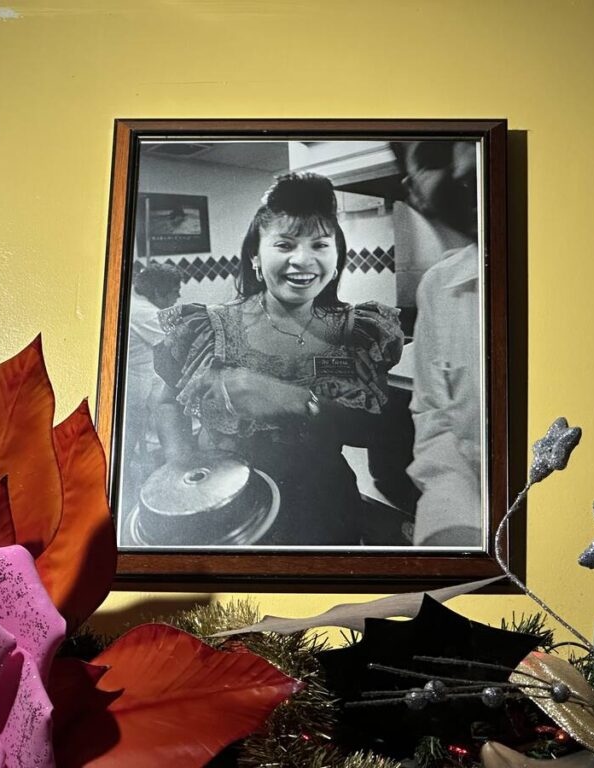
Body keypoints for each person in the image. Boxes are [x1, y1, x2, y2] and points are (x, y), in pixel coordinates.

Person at [153, 172, 404, 545]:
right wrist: (183, 469)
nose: (302, 261)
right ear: (256, 255)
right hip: (228, 511)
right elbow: (164, 401)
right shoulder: (208, 328)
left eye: (320, 245)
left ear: (336, 259)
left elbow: (371, 431)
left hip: (326, 509)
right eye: (284, 245)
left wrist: (296, 402)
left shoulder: (359, 331)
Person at [392, 140, 483, 546]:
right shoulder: (438, 289)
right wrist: (449, 533)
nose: (463, 165)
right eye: (432, 156)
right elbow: (437, 423)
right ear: (415, 194)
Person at [119, 261, 183, 518]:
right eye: (175, 291)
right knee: (125, 455)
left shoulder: (139, 307)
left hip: (138, 390)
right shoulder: (145, 312)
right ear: (158, 293)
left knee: (130, 452)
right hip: (135, 394)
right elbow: (177, 344)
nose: (178, 295)